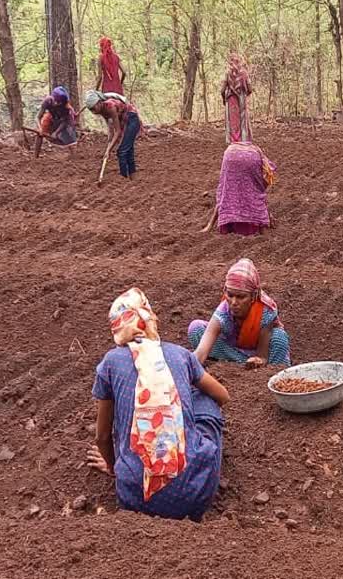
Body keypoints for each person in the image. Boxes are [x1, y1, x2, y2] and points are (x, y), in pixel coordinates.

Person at [86, 288, 229, 521]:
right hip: (196, 493)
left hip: (134, 499)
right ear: (149, 317)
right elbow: (222, 396)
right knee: (204, 398)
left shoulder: (110, 363)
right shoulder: (180, 354)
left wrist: (114, 468)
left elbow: (102, 437)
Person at [188, 258, 291, 369]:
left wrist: (258, 360)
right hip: (232, 348)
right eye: (230, 295)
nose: (233, 302)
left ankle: (271, 369)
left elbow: (263, 357)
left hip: (260, 350)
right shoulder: (224, 311)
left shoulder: (265, 311)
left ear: (253, 296)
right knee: (196, 329)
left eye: (241, 297)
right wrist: (185, 366)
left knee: (279, 338)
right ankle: (242, 362)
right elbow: (201, 353)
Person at [200, 141, 277, 235]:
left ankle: (210, 225)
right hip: (252, 156)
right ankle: (262, 227)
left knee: (226, 191)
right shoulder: (253, 146)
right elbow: (263, 185)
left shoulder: (232, 142)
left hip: (231, 155)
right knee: (255, 190)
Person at [85, 90, 143, 180]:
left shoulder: (110, 107)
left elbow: (118, 131)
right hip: (125, 120)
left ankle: (123, 179)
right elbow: (110, 129)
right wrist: (109, 141)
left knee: (122, 151)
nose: (93, 111)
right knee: (128, 149)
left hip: (132, 119)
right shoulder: (102, 111)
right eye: (91, 110)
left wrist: (109, 150)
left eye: (93, 108)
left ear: (99, 102)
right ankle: (133, 177)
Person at [33, 86, 79, 158]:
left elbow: (65, 121)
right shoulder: (47, 101)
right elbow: (38, 117)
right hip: (52, 117)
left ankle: (74, 157)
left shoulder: (66, 107)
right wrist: (40, 129)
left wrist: (56, 132)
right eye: (56, 102)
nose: (57, 104)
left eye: (60, 103)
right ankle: (35, 157)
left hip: (63, 121)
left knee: (70, 138)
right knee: (40, 133)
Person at [222, 53, 253, 144]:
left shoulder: (228, 73)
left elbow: (222, 89)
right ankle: (243, 138)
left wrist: (224, 99)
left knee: (232, 120)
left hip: (231, 99)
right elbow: (250, 88)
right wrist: (244, 95)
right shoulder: (244, 73)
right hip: (241, 98)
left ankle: (232, 140)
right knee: (242, 118)